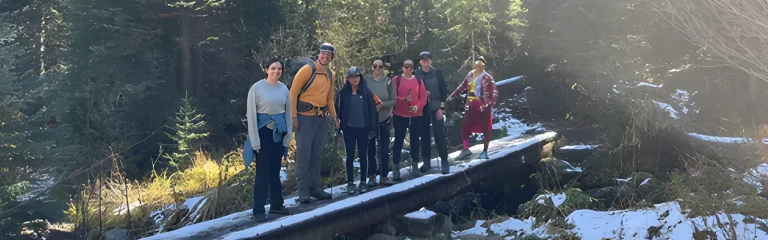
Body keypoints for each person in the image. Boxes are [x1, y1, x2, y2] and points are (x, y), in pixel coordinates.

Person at [289, 43, 340, 204]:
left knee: (317, 154)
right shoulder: (307, 70)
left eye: (328, 54)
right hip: (304, 117)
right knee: (304, 154)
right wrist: (293, 117)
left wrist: (334, 117)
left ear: (332, 57)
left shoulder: (331, 74)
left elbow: (330, 98)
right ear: (319, 54)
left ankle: (316, 188)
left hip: (321, 117)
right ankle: (303, 192)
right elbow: (293, 93)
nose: (325, 56)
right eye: (323, 53)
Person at [246, 58, 292, 220]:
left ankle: (277, 205)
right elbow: (251, 116)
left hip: (278, 133)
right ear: (266, 70)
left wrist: (288, 138)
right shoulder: (256, 88)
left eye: (279, 69)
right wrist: (255, 141)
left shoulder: (284, 89)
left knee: (275, 171)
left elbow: (288, 115)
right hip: (263, 133)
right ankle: (258, 210)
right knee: (262, 172)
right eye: (273, 68)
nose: (276, 71)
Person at [336, 67, 379, 194]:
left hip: (363, 129)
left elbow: (372, 112)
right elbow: (338, 109)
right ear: (348, 79)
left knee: (363, 155)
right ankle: (350, 183)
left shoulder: (366, 93)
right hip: (349, 129)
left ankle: (363, 182)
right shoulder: (343, 93)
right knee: (349, 156)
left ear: (360, 77)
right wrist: (338, 124)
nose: (355, 79)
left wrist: (373, 129)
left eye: (357, 76)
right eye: (352, 77)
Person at [448, 56, 498, 160]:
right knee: (465, 125)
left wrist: (489, 104)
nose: (479, 66)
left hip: (483, 104)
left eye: (481, 65)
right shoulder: (470, 75)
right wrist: (452, 96)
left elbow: (494, 92)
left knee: (486, 128)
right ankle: (466, 149)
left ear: (483, 66)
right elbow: (462, 87)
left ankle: (485, 151)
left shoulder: (487, 77)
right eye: (477, 64)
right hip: (471, 103)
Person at [413, 51, 450, 174]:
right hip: (422, 108)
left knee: (439, 134)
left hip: (436, 106)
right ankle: (427, 162)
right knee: (424, 136)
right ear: (420, 61)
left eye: (428, 59)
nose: (426, 61)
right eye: (423, 59)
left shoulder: (437, 72)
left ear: (431, 60)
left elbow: (444, 90)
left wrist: (441, 107)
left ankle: (444, 161)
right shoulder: (416, 74)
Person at [392, 59, 428, 178]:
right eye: (406, 67)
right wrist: (404, 100)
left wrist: (417, 107)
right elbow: (392, 97)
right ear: (403, 68)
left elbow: (423, 98)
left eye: (411, 67)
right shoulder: (396, 80)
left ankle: (415, 166)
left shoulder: (418, 81)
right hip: (400, 115)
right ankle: (396, 168)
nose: (409, 69)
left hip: (415, 116)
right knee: (398, 141)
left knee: (415, 141)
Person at [365, 60, 397, 185]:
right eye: (375, 66)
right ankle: (372, 176)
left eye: (380, 67)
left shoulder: (388, 82)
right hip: (370, 121)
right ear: (372, 67)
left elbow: (394, 101)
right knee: (370, 149)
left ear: (383, 68)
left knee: (383, 149)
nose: (377, 69)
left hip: (385, 119)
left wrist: (381, 104)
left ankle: (384, 176)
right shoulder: (366, 81)